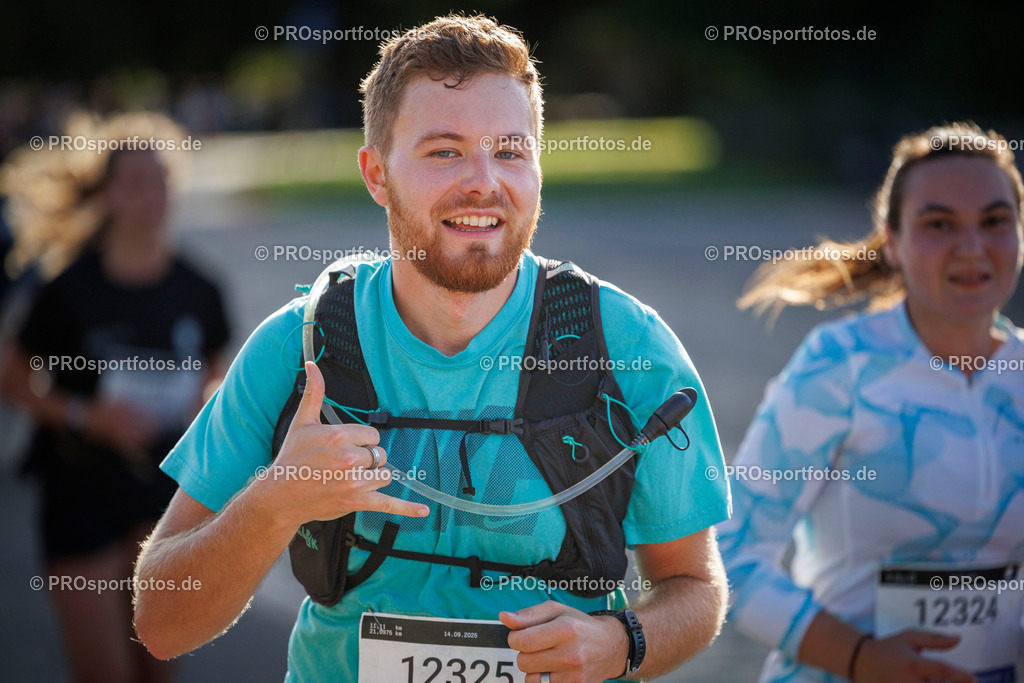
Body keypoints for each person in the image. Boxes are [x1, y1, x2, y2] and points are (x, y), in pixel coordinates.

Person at [132, 14, 732, 683]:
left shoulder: (627, 345)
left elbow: (697, 588)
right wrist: (276, 500)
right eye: (444, 151)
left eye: (509, 150)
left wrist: (622, 643)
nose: (483, 181)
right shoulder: (301, 346)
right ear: (376, 173)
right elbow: (160, 621)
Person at [718, 122, 1024, 683]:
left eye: (995, 221)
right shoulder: (839, 365)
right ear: (894, 240)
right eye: (939, 224)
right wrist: (860, 657)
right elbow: (727, 556)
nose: (973, 247)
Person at [0, 111, 230, 683]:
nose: (151, 196)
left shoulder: (199, 289)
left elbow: (218, 379)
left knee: (159, 665)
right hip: (79, 491)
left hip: (165, 492)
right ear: (107, 194)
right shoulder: (69, 291)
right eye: (135, 182)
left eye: (161, 181)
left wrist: (203, 410)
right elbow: (13, 377)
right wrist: (86, 415)